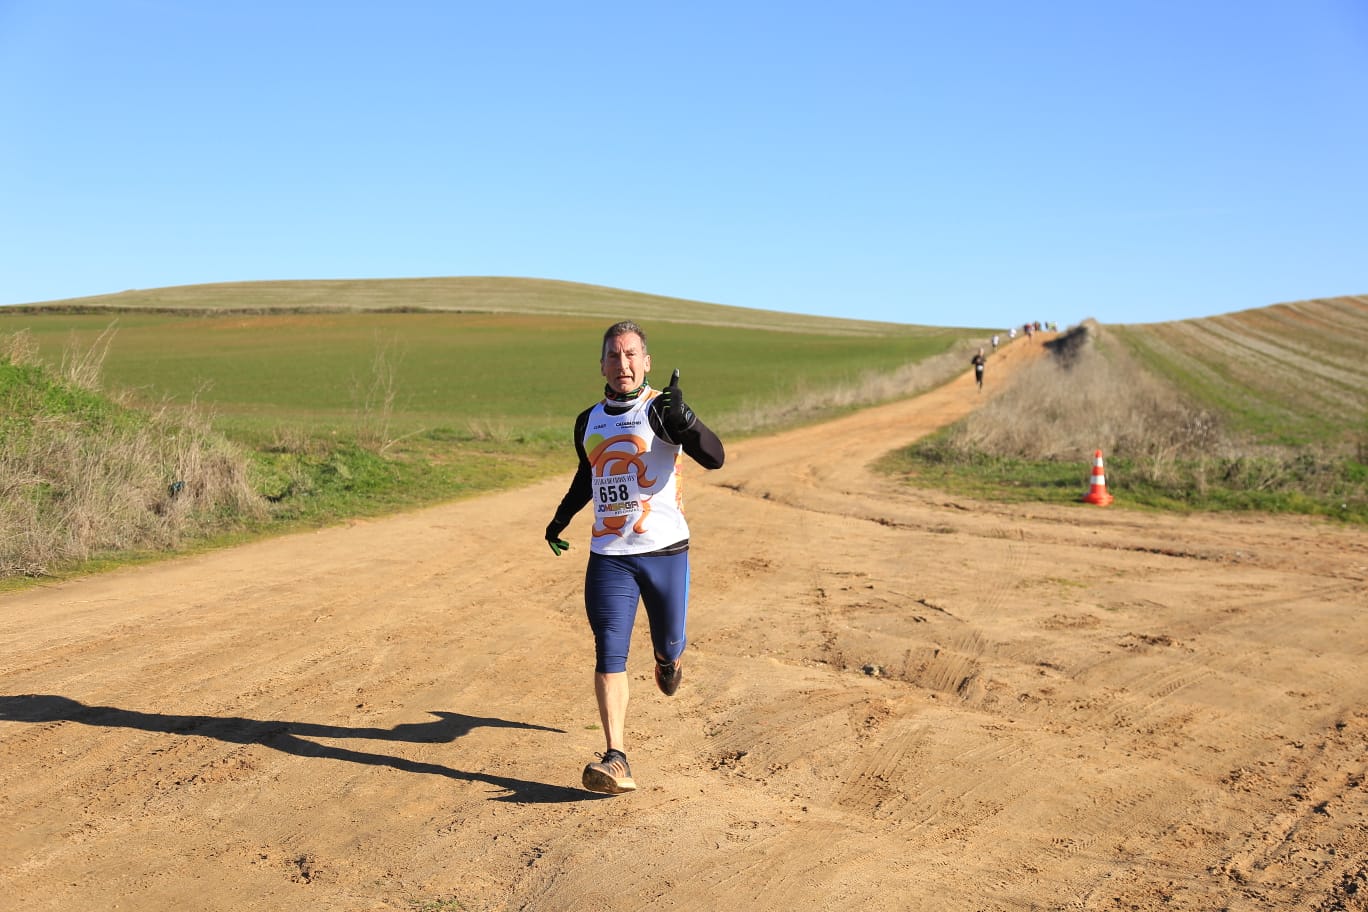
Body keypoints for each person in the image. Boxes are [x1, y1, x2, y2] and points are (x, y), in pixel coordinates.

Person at [544, 320, 726, 795]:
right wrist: (560, 519)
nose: (622, 364)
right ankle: (615, 757)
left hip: (665, 551)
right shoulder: (588, 420)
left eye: (631, 355)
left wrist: (688, 423)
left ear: (646, 362)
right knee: (609, 650)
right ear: (601, 364)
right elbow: (589, 476)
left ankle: (669, 662)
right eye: (613, 355)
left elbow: (715, 457)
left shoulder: (662, 411)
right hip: (609, 555)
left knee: (669, 643)